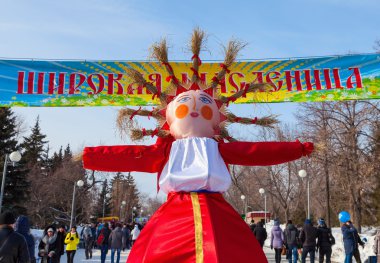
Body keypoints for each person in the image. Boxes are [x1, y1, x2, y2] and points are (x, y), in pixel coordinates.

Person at [82, 28, 314, 262]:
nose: (194, 110)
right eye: (184, 106)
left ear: (216, 123)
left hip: (215, 212)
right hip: (176, 215)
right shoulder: (165, 150)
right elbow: (131, 155)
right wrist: (91, 156)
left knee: (230, 252)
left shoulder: (218, 148)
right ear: (170, 122)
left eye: (204, 106)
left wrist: (298, 149)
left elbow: (256, 152)